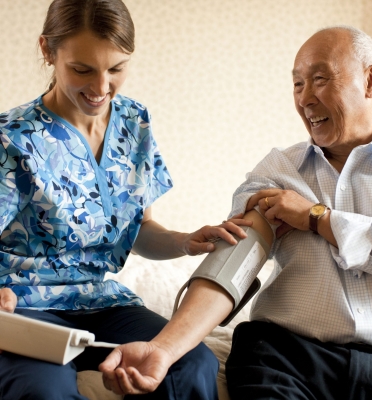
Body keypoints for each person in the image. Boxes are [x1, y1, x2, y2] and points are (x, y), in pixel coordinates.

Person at [100, 25, 372, 400]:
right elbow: (233, 263)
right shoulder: (277, 173)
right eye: (297, 84)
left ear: (371, 81)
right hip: (287, 358)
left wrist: (318, 218)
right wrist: (163, 349)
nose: (305, 98)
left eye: (320, 79)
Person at [0, 1, 250, 399]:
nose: (101, 88)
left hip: (101, 303)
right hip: (27, 310)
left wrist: (186, 242)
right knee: (42, 390)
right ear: (48, 51)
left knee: (193, 364)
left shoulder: (134, 122)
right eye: (82, 69)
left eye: (116, 69)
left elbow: (140, 230)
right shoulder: (11, 139)